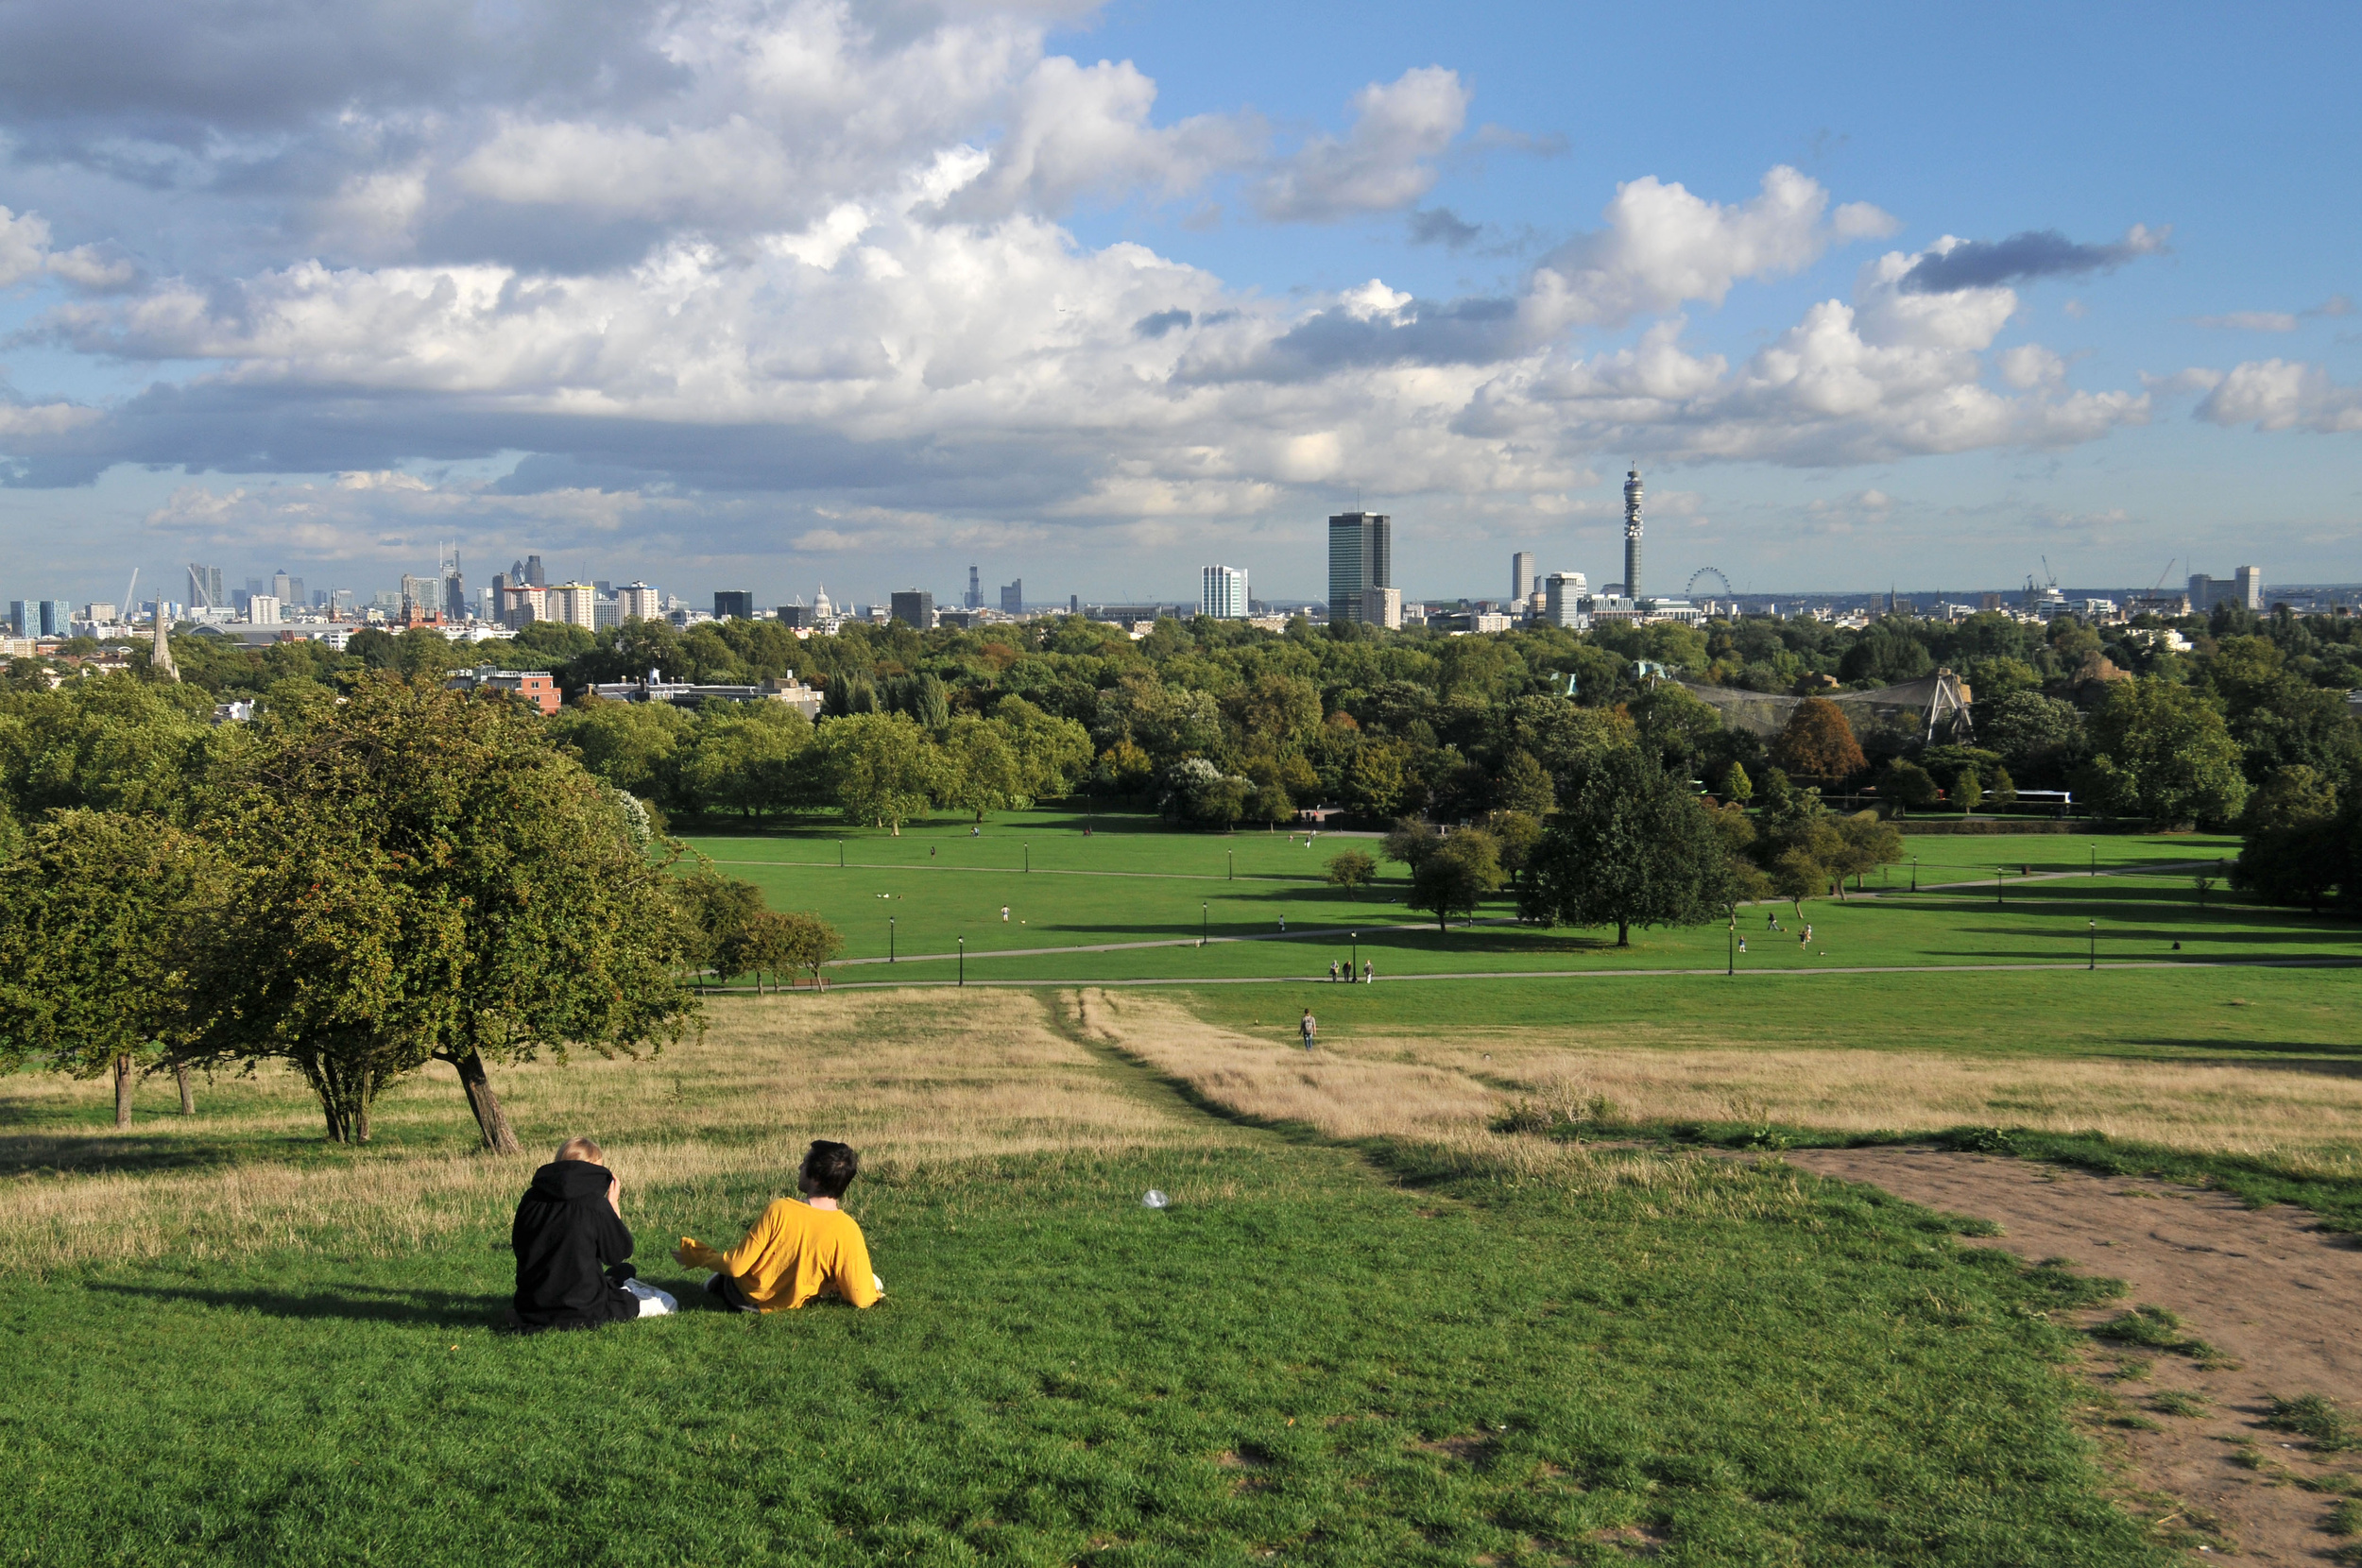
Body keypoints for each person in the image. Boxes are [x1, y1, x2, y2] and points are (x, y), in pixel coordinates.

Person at [673, 1140, 883, 1313]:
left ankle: (718, 1281)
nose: (800, 1167)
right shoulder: (848, 1229)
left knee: (731, 1274)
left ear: (816, 1178)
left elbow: (736, 1266)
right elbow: (861, 1298)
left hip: (745, 1300)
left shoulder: (780, 1209)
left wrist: (699, 1256)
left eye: (805, 1163)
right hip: (792, 1303)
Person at [510, 1136, 676, 1331]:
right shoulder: (594, 1204)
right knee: (668, 1301)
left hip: (530, 1308)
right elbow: (617, 1254)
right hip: (584, 1309)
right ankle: (627, 1287)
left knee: (620, 1272)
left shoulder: (531, 1199)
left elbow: (520, 1246)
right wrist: (613, 1207)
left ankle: (620, 1283)